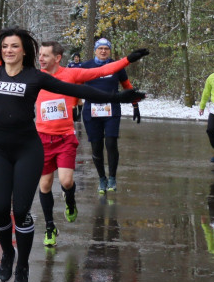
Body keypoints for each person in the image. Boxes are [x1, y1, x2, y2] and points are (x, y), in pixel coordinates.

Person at [0, 28, 144, 282]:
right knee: (0, 209)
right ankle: (7, 254)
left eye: (14, 46)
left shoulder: (35, 77)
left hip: (28, 149)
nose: (9, 50)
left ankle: (22, 265)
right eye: (5, 47)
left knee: (21, 211)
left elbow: (75, 88)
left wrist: (119, 97)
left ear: (25, 51)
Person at [35, 41, 148, 247]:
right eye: (39, 55)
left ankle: (70, 201)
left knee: (67, 181)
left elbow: (104, 70)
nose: (40, 58)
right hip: (42, 139)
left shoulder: (71, 74)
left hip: (64, 137)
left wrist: (128, 59)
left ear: (57, 58)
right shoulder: (35, 78)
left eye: (45, 55)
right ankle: (50, 227)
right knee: (44, 185)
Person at [81, 38, 141, 192]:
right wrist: (72, 105)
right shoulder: (85, 66)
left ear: (109, 51)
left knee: (111, 143)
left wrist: (135, 103)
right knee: (96, 147)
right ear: (95, 50)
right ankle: (102, 178)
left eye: (106, 49)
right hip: (91, 111)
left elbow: (127, 86)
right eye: (100, 48)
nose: (103, 51)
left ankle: (112, 177)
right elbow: (73, 86)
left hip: (111, 110)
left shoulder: (117, 66)